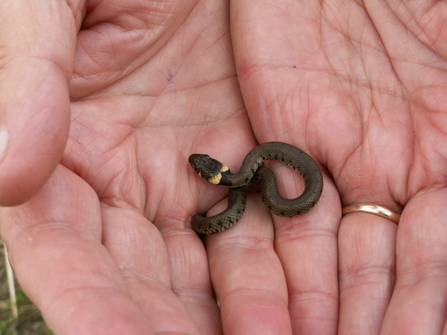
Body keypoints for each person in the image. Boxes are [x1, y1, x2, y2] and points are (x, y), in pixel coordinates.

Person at [1, 0, 446, 334]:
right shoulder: (251, 174)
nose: (199, 168)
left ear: (216, 174)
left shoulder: (257, 172)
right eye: (203, 169)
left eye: (202, 169)